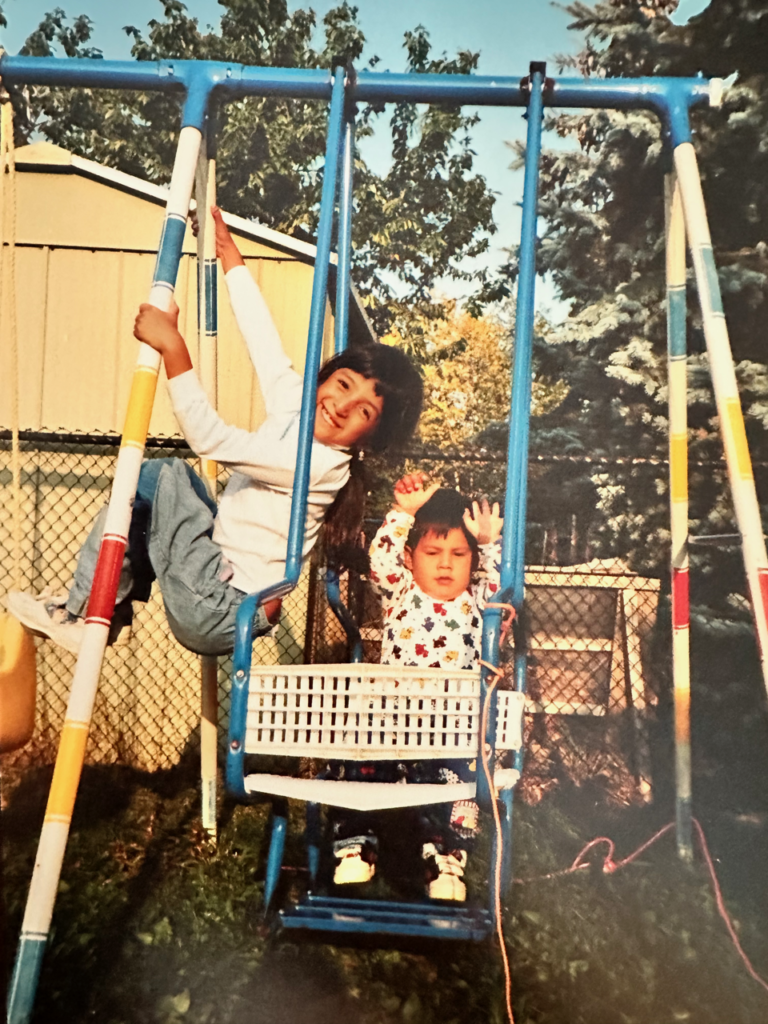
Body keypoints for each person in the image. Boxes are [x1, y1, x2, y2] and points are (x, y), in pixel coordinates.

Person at [7, 208, 423, 658]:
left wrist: (173, 345)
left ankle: (84, 613)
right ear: (325, 378)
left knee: (164, 477)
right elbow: (262, 340)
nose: (340, 406)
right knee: (148, 495)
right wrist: (229, 253)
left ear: (371, 439)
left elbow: (211, 439)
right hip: (218, 584)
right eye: (342, 385)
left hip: (223, 606)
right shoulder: (297, 410)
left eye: (363, 410)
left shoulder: (320, 465)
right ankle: (104, 610)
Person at [331, 473, 504, 901]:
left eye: (459, 554)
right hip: (392, 720)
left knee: (453, 785)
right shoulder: (400, 591)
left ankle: (445, 860)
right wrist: (402, 514)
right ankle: (356, 846)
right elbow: (380, 563)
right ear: (411, 558)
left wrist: (489, 544)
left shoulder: (477, 599)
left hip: (450, 727)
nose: (446, 564)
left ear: (473, 560)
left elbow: (503, 590)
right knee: (362, 769)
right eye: (433, 552)